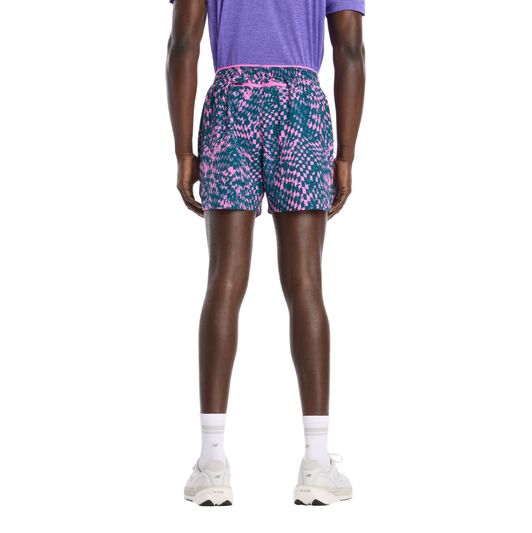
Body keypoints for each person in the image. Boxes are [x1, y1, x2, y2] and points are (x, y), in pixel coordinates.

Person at [166, 0, 365, 506]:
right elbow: (350, 50)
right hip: (301, 108)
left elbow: (184, 44)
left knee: (224, 280)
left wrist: (184, 151)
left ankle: (212, 463)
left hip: (231, 104)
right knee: (306, 284)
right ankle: (316, 463)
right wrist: (345, 155)